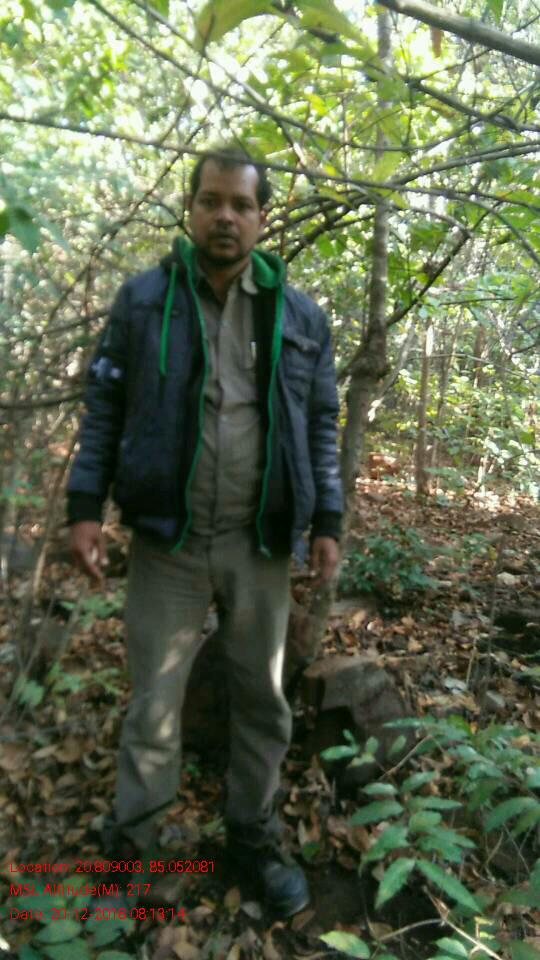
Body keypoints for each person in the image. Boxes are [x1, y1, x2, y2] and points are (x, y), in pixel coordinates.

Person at [67, 144, 343, 918]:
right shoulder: (144, 301)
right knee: (153, 706)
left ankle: (251, 837)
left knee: (262, 700)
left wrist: (328, 519)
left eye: (241, 204)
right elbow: (104, 406)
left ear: (262, 217)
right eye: (211, 201)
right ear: (190, 209)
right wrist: (84, 506)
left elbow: (321, 423)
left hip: (260, 543)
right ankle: (138, 850)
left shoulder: (299, 316)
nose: (225, 216)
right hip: (169, 541)